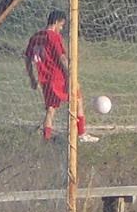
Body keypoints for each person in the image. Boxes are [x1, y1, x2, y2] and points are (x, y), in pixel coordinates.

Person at [25, 10, 96, 143]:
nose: (61, 28)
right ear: (56, 22)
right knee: (78, 100)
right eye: (61, 25)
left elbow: (28, 59)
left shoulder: (35, 37)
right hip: (59, 78)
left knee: (51, 109)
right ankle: (82, 134)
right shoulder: (53, 37)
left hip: (45, 79)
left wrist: (32, 78)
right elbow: (62, 58)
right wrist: (71, 76)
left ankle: (46, 139)